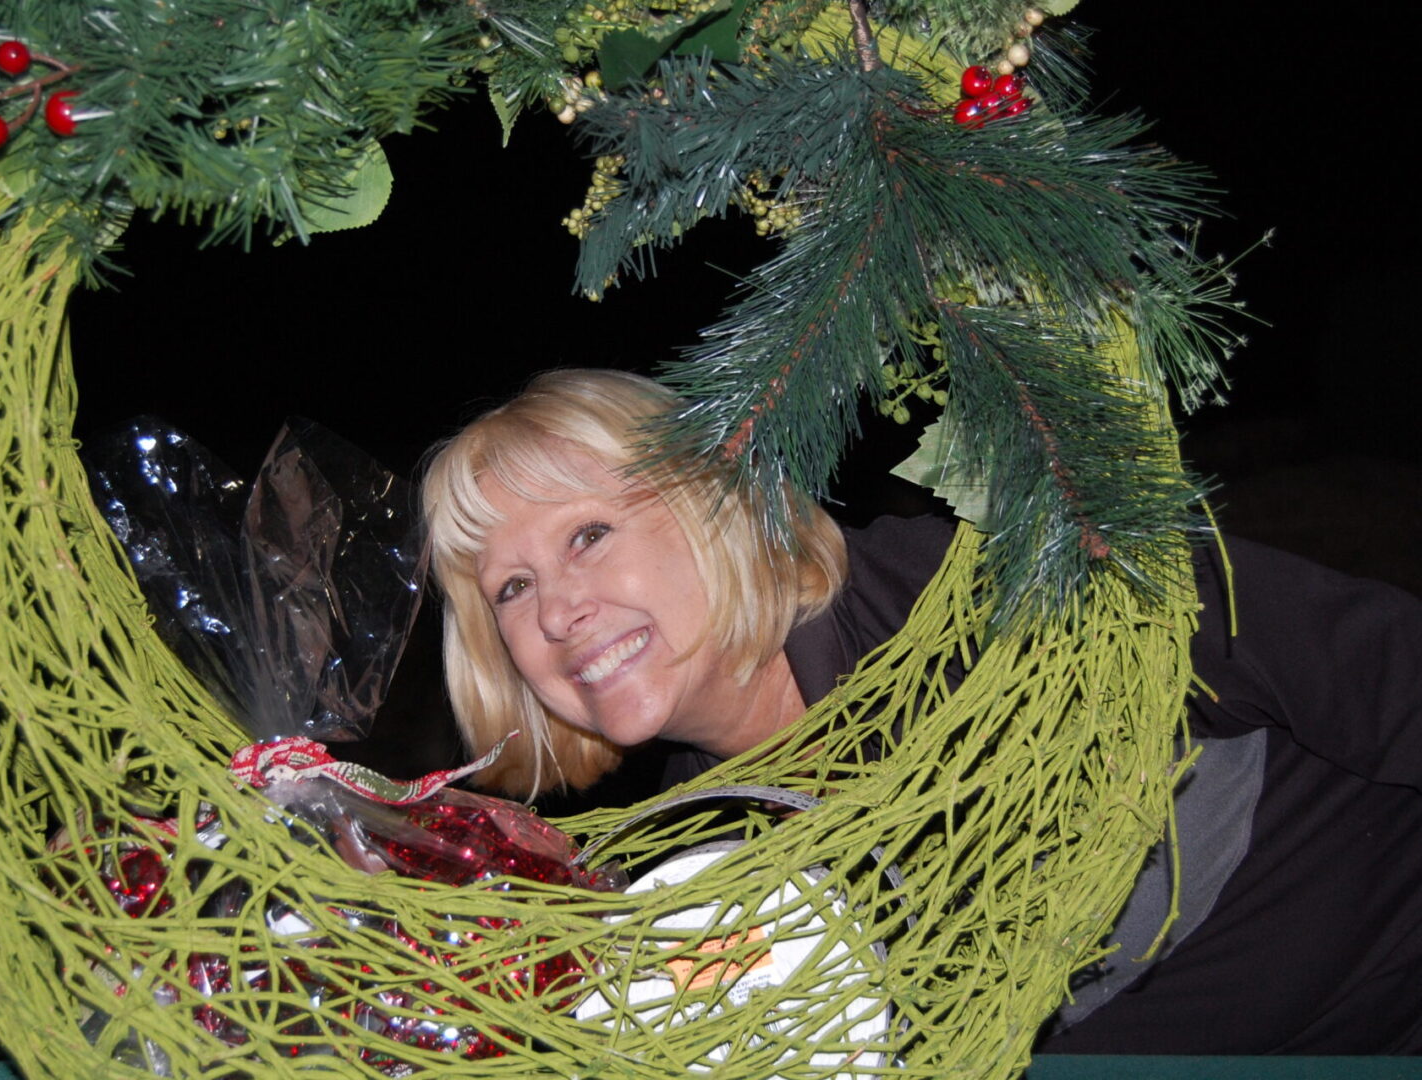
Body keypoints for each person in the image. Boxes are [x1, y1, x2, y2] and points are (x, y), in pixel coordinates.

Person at [420, 367, 1422, 1055]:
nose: (555, 609)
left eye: (588, 533)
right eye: (508, 589)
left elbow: (1369, 665)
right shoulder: (697, 866)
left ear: (712, 507)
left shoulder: (966, 604)